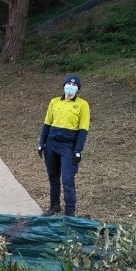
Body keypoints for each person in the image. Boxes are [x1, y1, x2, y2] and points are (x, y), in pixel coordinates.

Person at [37, 75, 90, 217]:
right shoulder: (54, 102)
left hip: (68, 145)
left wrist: (78, 150)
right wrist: (41, 143)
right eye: (68, 83)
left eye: (74, 85)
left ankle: (70, 212)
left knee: (67, 179)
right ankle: (54, 206)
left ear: (78, 89)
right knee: (53, 177)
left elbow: (83, 129)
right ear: (64, 85)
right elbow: (47, 123)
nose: (71, 86)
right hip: (52, 143)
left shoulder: (82, 105)